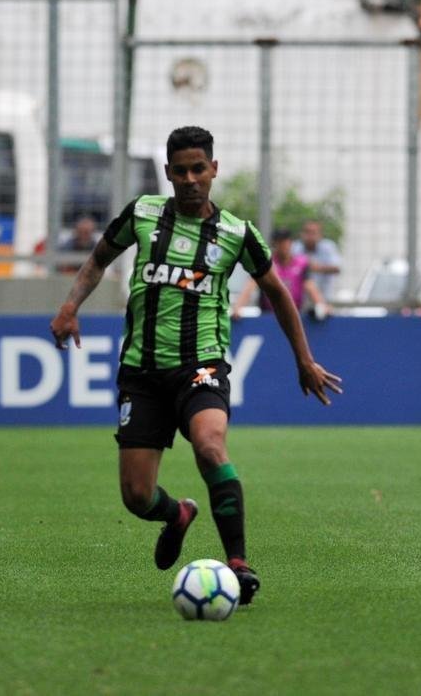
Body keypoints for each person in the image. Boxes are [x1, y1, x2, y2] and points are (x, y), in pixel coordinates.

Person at [49, 126, 343, 607]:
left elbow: (277, 293)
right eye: (181, 171)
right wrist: (69, 306)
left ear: (214, 169)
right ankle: (178, 514)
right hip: (142, 373)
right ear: (168, 173)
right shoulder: (143, 213)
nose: (190, 179)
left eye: (198, 169)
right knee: (137, 496)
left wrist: (304, 360)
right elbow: (99, 259)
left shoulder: (236, 233)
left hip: (201, 365)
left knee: (209, 445)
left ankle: (238, 565)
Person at [232, 228, 330, 319]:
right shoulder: (266, 263)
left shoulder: (302, 264)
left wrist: (321, 305)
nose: (283, 246)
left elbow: (310, 286)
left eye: (286, 242)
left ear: (291, 243)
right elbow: (251, 285)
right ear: (275, 244)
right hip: (268, 316)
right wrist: (238, 307)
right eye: (280, 243)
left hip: (294, 315)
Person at [292, 219, 342, 304]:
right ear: (301, 234)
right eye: (307, 232)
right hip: (300, 302)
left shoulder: (328, 247)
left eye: (314, 232)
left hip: (325, 299)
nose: (310, 236)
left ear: (320, 235)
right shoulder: (295, 248)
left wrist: (315, 267)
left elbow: (337, 268)